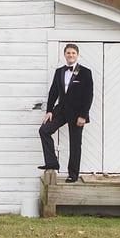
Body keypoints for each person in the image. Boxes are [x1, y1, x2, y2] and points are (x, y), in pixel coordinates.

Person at [38, 43, 93, 183]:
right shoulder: (59, 72)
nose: (71, 55)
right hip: (61, 111)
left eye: (73, 53)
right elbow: (53, 92)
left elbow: (89, 95)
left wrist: (83, 115)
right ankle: (52, 163)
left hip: (77, 114)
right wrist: (49, 110)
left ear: (77, 55)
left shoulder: (85, 72)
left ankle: (73, 174)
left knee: (75, 144)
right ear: (64, 55)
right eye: (68, 53)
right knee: (44, 130)